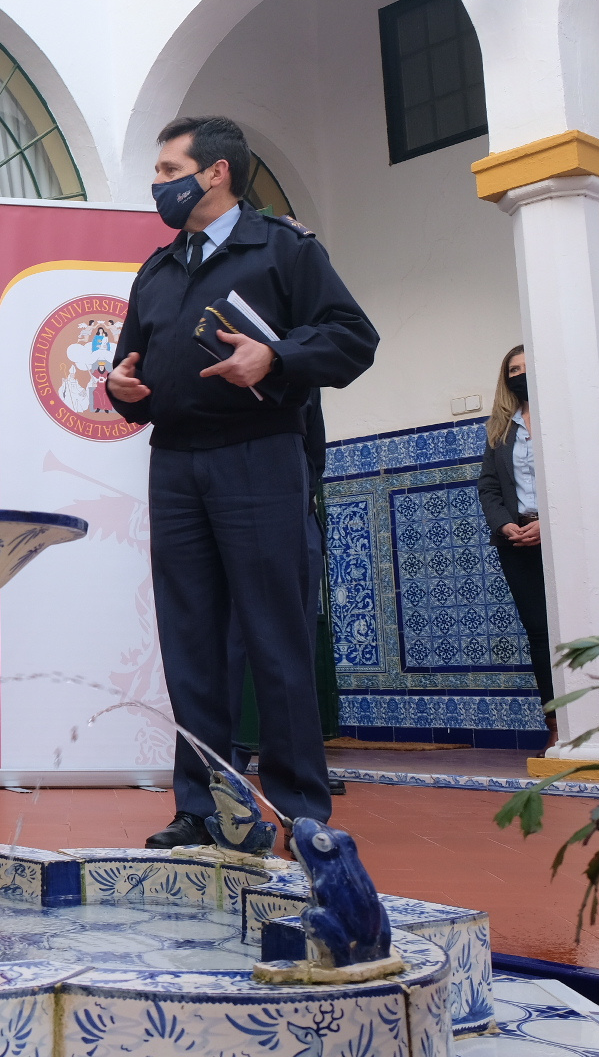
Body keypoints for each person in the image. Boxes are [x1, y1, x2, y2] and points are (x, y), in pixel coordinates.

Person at [108, 116, 377, 848]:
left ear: (217, 172)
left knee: (275, 635)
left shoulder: (283, 249)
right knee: (190, 639)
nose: (158, 184)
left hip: (258, 456)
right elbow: (129, 369)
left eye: (169, 170)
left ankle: (302, 811)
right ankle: (201, 805)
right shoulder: (157, 272)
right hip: (176, 463)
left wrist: (276, 359)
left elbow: (355, 339)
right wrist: (120, 388)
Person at [477, 345, 555, 748]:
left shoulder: (563, 417)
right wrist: (506, 523)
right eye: (513, 369)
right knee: (540, 633)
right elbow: (489, 485)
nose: (519, 375)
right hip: (517, 541)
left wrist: (551, 524)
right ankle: (557, 728)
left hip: (564, 537)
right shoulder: (501, 428)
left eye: (527, 367)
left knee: (578, 629)